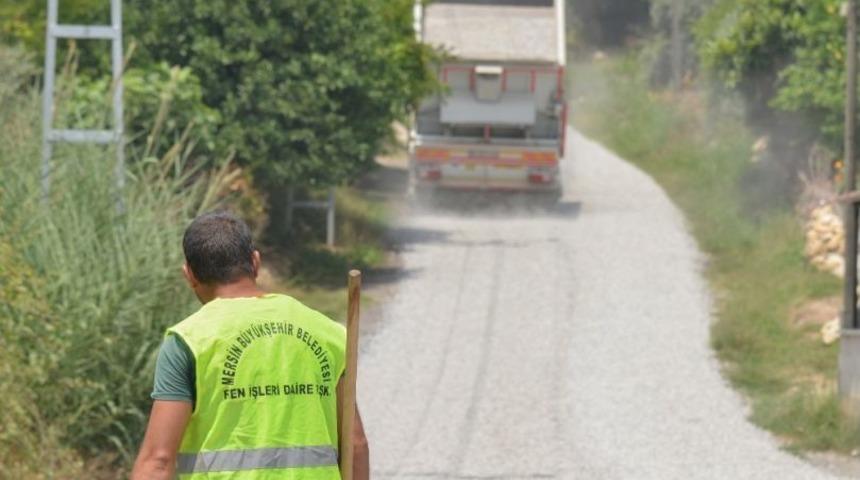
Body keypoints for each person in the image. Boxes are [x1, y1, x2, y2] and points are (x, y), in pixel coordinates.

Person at [131, 212, 369, 480]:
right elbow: (355, 445)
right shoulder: (328, 333)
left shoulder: (188, 341)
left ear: (189, 275)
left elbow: (158, 461)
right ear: (255, 262)